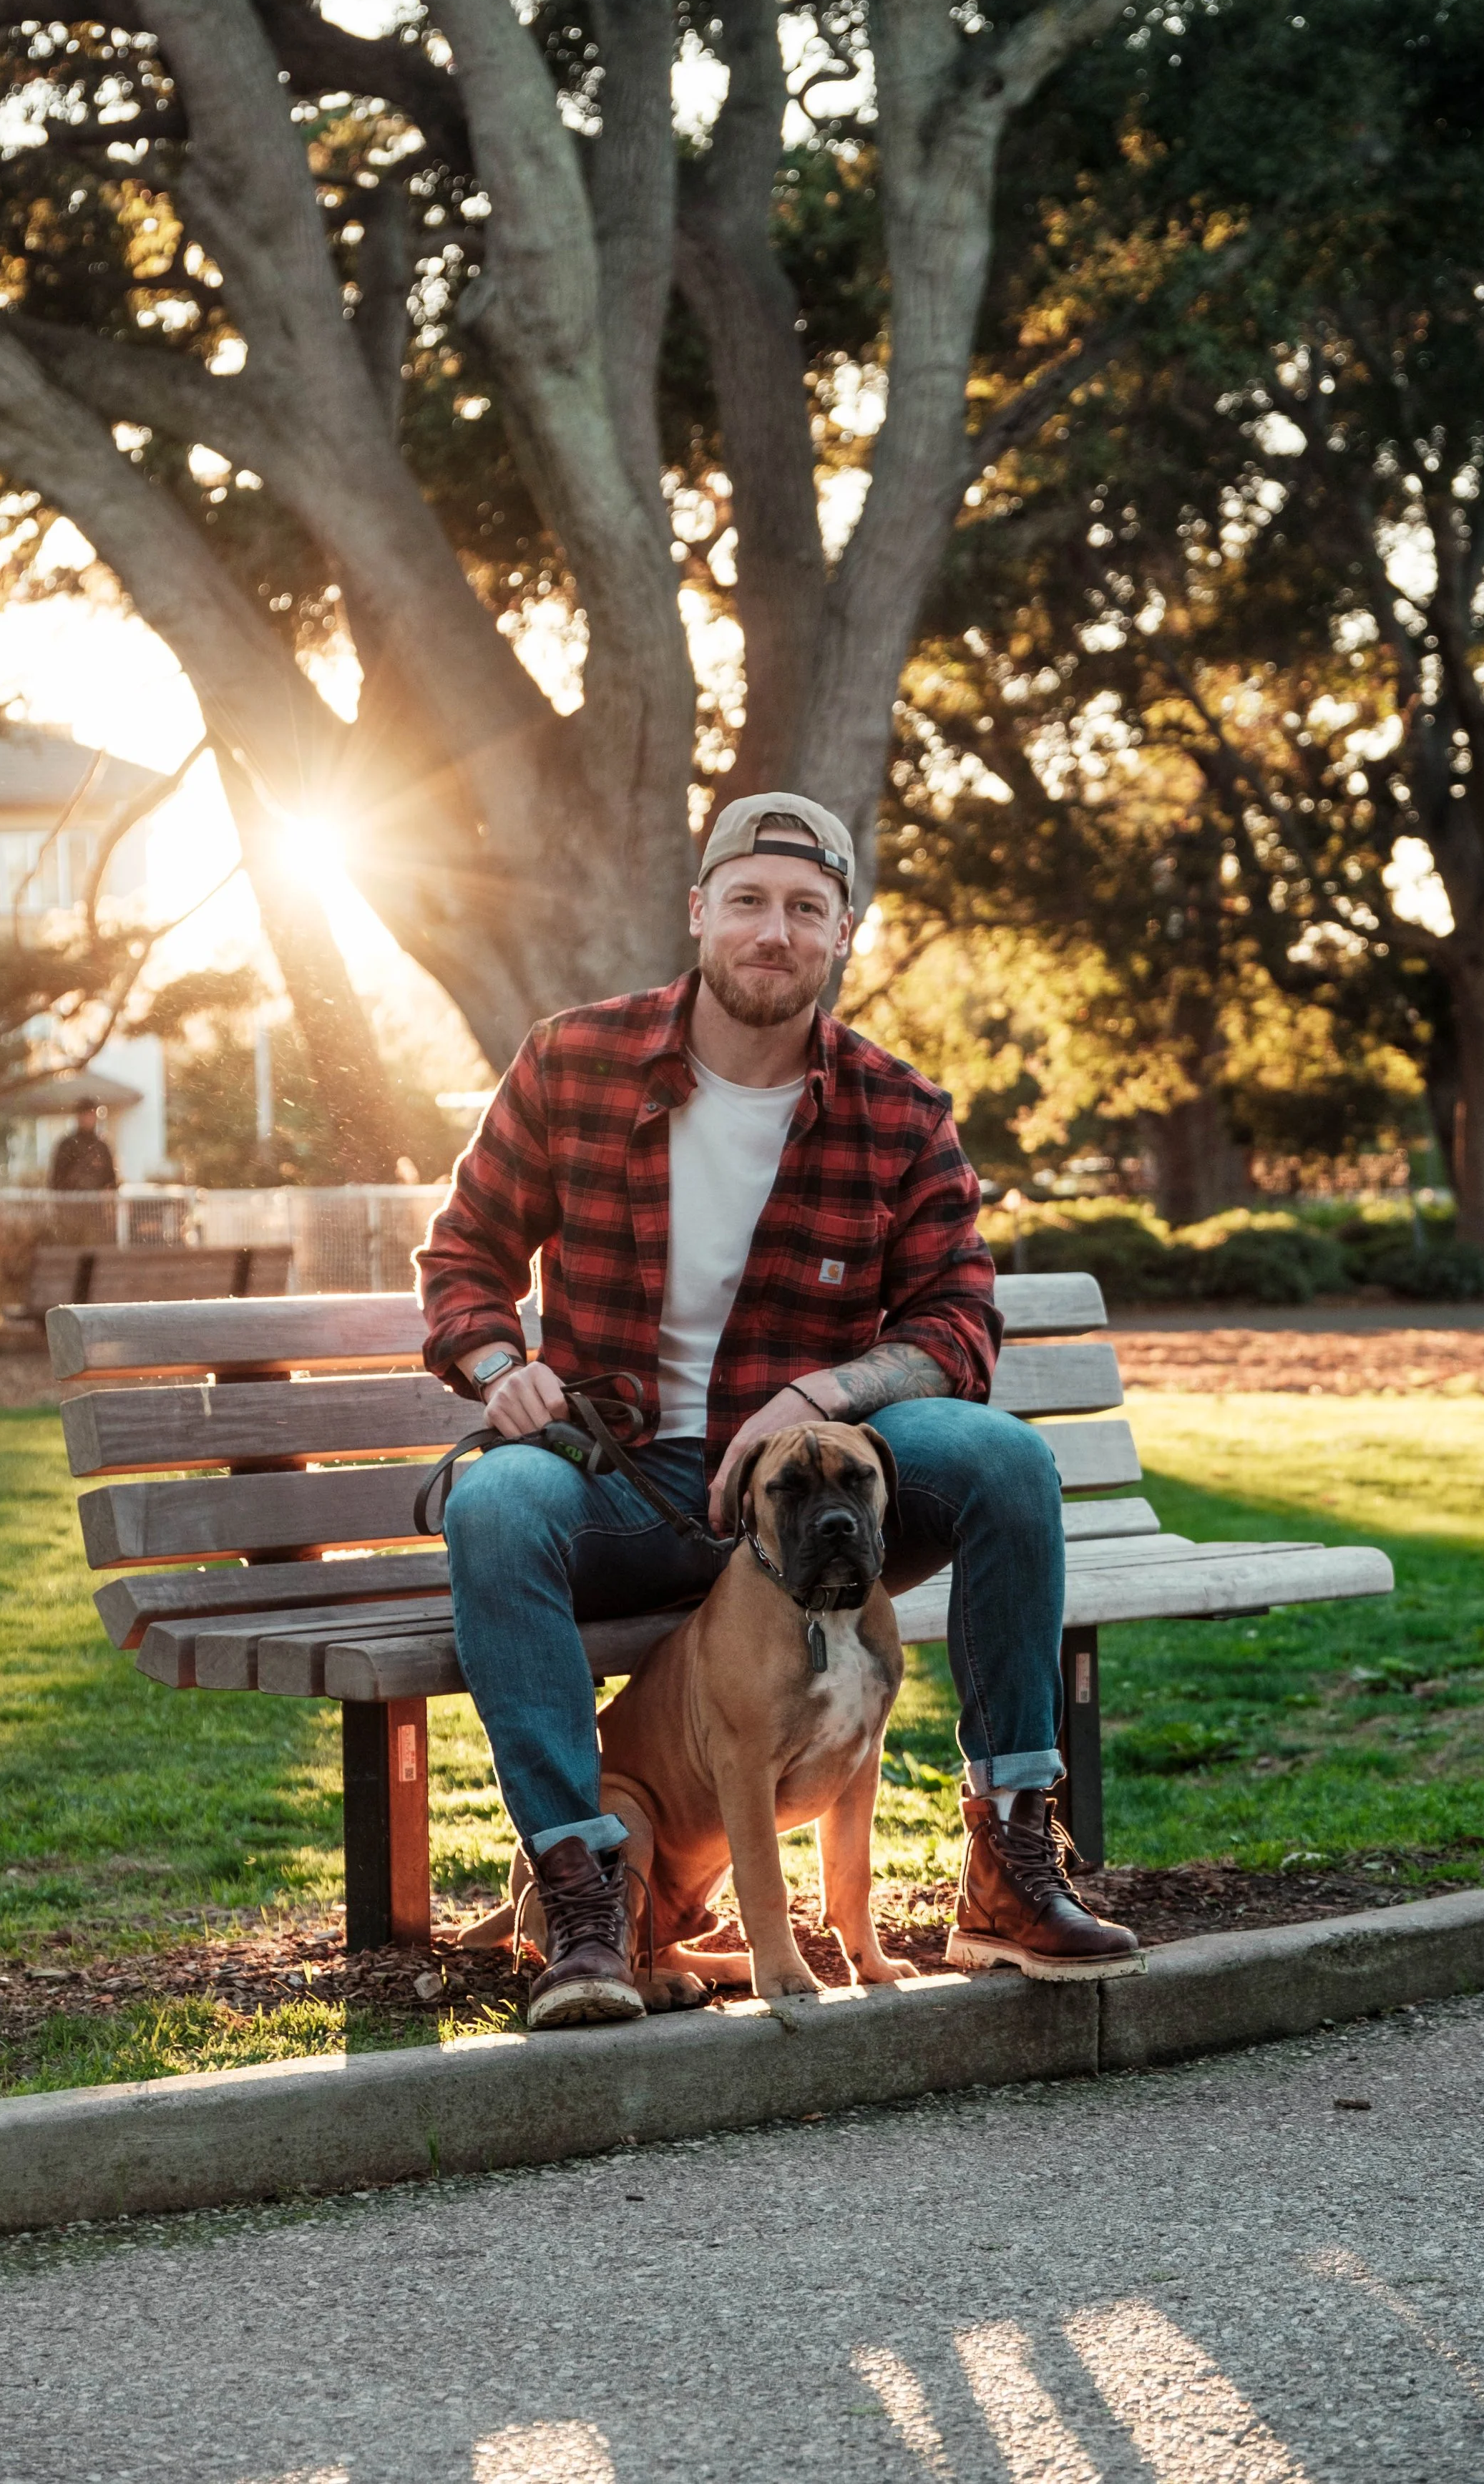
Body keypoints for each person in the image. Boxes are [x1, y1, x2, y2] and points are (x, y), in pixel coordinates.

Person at [415, 794, 1138, 2030]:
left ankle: (1009, 1857)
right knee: (494, 1504)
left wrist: (827, 1391)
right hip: (624, 1481)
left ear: (841, 934)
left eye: (806, 909)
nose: (773, 930)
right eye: (747, 900)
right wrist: (497, 1368)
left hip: (816, 1502)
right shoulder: (572, 1061)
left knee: (1008, 1464)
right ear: (699, 913)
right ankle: (589, 1900)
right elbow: (464, 1259)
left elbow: (961, 1325)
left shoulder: (897, 1111)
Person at [48, 1101, 117, 1193]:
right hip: (71, 1203)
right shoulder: (67, 1145)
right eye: (85, 1115)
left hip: (97, 1204)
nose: (88, 1119)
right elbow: (56, 1179)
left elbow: (110, 1179)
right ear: (78, 1117)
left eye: (91, 1115)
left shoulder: (102, 1147)